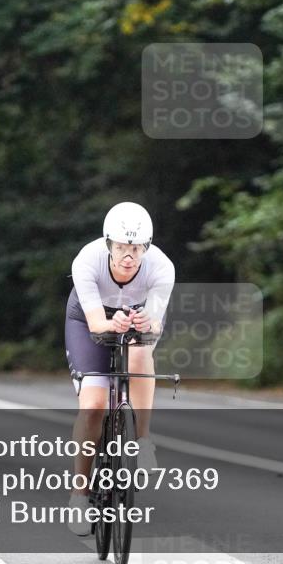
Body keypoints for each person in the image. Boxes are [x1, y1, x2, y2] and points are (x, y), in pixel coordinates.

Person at [64, 202, 174, 535]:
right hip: (89, 320)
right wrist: (112, 323)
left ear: (146, 247)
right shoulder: (87, 260)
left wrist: (145, 323)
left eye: (136, 248)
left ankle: (142, 440)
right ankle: (80, 495)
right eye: (123, 247)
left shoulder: (161, 267)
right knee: (94, 407)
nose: (129, 255)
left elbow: (155, 325)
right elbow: (98, 325)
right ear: (109, 244)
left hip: (136, 318)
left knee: (140, 355)